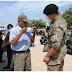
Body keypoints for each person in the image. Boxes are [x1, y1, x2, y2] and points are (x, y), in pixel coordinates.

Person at [43, 4, 67, 71]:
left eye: (48, 15)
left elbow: (56, 45)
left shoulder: (57, 24)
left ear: (53, 14)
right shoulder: (59, 21)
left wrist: (47, 56)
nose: (48, 17)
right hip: (58, 56)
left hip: (55, 58)